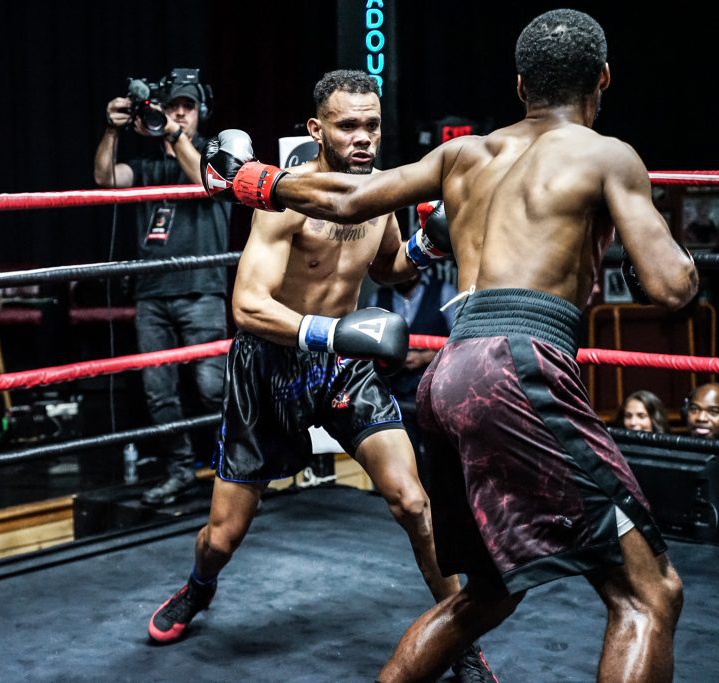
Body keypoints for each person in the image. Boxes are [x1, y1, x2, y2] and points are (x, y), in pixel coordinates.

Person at [202, 10, 698, 681]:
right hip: (516, 368)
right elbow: (669, 289)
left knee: (486, 592)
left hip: (451, 372)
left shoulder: (466, 154)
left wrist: (251, 179)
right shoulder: (609, 155)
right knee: (649, 593)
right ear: (603, 78)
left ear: (520, 86)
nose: (363, 136)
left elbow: (351, 202)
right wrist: (672, 258)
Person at [149, 70, 495, 681]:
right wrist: (333, 333)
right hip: (269, 367)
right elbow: (248, 306)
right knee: (223, 537)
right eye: (348, 126)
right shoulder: (287, 198)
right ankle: (199, 586)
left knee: (414, 503)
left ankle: (457, 639)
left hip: (342, 370)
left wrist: (427, 246)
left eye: (372, 126)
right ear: (317, 129)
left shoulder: (380, 192)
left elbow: (387, 268)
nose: (363, 138)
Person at [93, 71, 229, 505]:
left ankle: (236, 471)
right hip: (151, 293)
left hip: (201, 288)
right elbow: (105, 179)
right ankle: (180, 470)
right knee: (159, 393)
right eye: (173, 107)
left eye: (188, 107)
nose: (180, 114)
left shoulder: (218, 152)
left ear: (200, 111)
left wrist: (174, 134)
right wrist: (111, 130)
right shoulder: (147, 165)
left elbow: (204, 182)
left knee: (212, 387)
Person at [371, 263, 459, 465]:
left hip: (435, 393)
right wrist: (392, 357)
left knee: (441, 460)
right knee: (403, 460)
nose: (402, 272)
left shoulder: (444, 292)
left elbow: (460, 340)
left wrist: (428, 356)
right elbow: (369, 344)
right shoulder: (378, 299)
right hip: (394, 396)